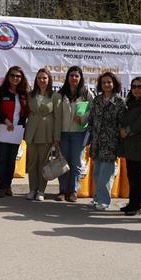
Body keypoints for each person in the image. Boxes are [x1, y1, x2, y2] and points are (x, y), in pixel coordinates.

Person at [87, 71, 126, 211]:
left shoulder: (120, 102)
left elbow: (122, 123)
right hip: (97, 142)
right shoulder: (97, 100)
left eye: (109, 82)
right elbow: (91, 119)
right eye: (104, 82)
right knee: (97, 172)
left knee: (106, 173)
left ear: (114, 84)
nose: (106, 85)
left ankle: (104, 200)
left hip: (110, 143)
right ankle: (97, 197)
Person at [55, 66, 93, 202]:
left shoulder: (86, 93)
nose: (74, 78)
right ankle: (62, 191)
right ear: (67, 77)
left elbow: (93, 109)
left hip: (79, 133)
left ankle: (73, 191)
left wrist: (83, 118)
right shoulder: (61, 93)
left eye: (77, 76)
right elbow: (56, 114)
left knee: (76, 163)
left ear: (81, 77)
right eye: (71, 75)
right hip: (64, 132)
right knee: (63, 163)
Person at [118, 76, 141, 216]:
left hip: (140, 144)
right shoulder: (131, 102)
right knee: (131, 175)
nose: (137, 89)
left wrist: (127, 131)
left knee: (138, 176)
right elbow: (123, 118)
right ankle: (132, 203)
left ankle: (137, 205)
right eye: (134, 87)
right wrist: (121, 128)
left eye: (140, 86)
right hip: (129, 144)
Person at [24, 68, 60, 201]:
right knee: (32, 163)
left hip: (46, 133)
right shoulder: (30, 95)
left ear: (49, 80)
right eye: (39, 78)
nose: (41, 80)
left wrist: (56, 138)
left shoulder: (55, 96)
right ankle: (32, 189)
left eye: (44, 78)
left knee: (43, 163)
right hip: (32, 132)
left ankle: (41, 191)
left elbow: (58, 118)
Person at [0, 66, 29, 198]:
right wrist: (5, 120)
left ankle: (8, 185)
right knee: (2, 159)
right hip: (3, 129)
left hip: (17, 131)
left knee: (11, 160)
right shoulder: (1, 91)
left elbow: (26, 112)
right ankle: (1, 187)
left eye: (18, 76)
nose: (15, 78)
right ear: (8, 77)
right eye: (13, 75)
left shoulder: (24, 94)